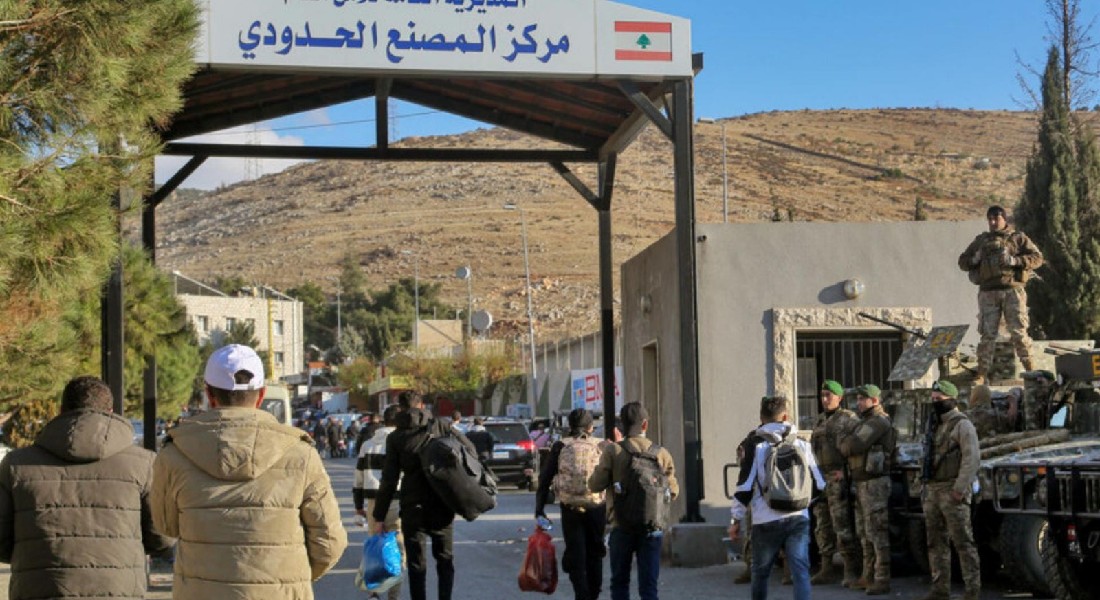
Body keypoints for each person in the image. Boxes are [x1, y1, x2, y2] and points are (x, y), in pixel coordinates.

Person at [151, 344, 347, 599]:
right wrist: (289, 578)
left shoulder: (174, 453)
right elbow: (330, 542)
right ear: (261, 394)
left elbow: (166, 526)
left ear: (209, 394)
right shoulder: (300, 454)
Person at [0, 376, 172, 600]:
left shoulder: (16, 465)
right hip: (117, 589)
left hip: (40, 589)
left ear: (61, 411)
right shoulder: (144, 464)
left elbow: (2, 541)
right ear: (110, 412)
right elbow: (162, 537)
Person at [373, 391, 477, 600]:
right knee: (445, 559)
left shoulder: (396, 437)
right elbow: (470, 450)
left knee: (416, 564)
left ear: (401, 408)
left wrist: (379, 516)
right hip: (442, 501)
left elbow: (389, 479)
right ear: (421, 405)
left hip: (412, 504)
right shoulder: (442, 426)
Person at [729, 396, 824, 600]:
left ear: (761, 418)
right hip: (798, 517)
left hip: (765, 519)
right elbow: (820, 484)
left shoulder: (755, 444)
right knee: (800, 571)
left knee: (760, 572)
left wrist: (735, 519)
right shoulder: (801, 443)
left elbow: (745, 486)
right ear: (785, 417)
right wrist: (801, 503)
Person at [589, 402, 679, 600]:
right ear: (645, 424)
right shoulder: (661, 454)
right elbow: (673, 491)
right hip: (652, 526)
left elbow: (594, 485)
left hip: (621, 525)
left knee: (620, 583)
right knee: (649, 587)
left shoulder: (614, 451)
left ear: (622, 425)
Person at [958, 205, 1044, 384]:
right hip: (988, 293)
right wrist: (975, 258)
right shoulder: (981, 241)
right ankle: (981, 374)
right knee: (987, 336)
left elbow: (1037, 258)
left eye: (996, 218)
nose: (992, 222)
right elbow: (962, 262)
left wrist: (1015, 261)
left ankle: (1031, 370)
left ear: (1005, 219)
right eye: (990, 219)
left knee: (1019, 333)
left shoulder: (1017, 238)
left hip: (1013, 291)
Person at [535, 408, 607, 600]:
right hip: (596, 507)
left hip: (570, 509)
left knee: (576, 553)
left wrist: (539, 509)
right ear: (590, 427)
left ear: (570, 426)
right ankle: (593, 594)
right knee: (595, 553)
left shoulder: (560, 446)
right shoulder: (601, 445)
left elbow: (545, 478)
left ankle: (581, 594)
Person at [920, 381, 981, 600]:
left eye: (939, 399)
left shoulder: (962, 425)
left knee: (963, 542)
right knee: (935, 542)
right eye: (933, 399)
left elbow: (971, 459)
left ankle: (972, 590)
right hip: (933, 489)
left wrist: (959, 489)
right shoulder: (934, 424)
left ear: (951, 399)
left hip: (952, 489)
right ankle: (940, 588)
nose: (935, 403)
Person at [838, 384, 897, 595]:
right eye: (858, 399)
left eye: (863, 399)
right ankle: (868, 575)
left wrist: (845, 442)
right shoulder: (865, 422)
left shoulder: (878, 422)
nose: (859, 403)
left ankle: (882, 578)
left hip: (875, 483)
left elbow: (852, 446)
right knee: (864, 532)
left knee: (877, 532)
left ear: (875, 400)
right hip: (862, 482)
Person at [808, 380, 861, 586]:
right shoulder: (820, 420)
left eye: (828, 395)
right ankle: (826, 567)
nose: (824, 399)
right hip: (822, 478)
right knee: (822, 525)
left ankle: (850, 570)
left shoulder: (849, 419)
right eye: (822, 395)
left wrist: (846, 472)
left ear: (839, 397)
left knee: (842, 525)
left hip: (838, 478)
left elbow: (856, 449)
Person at [354, 404, 404, 600]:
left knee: (375, 548)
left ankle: (374, 592)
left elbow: (358, 479)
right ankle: (393, 595)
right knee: (397, 551)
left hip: (373, 503)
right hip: (397, 501)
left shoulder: (368, 445)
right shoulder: (402, 443)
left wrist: (358, 506)